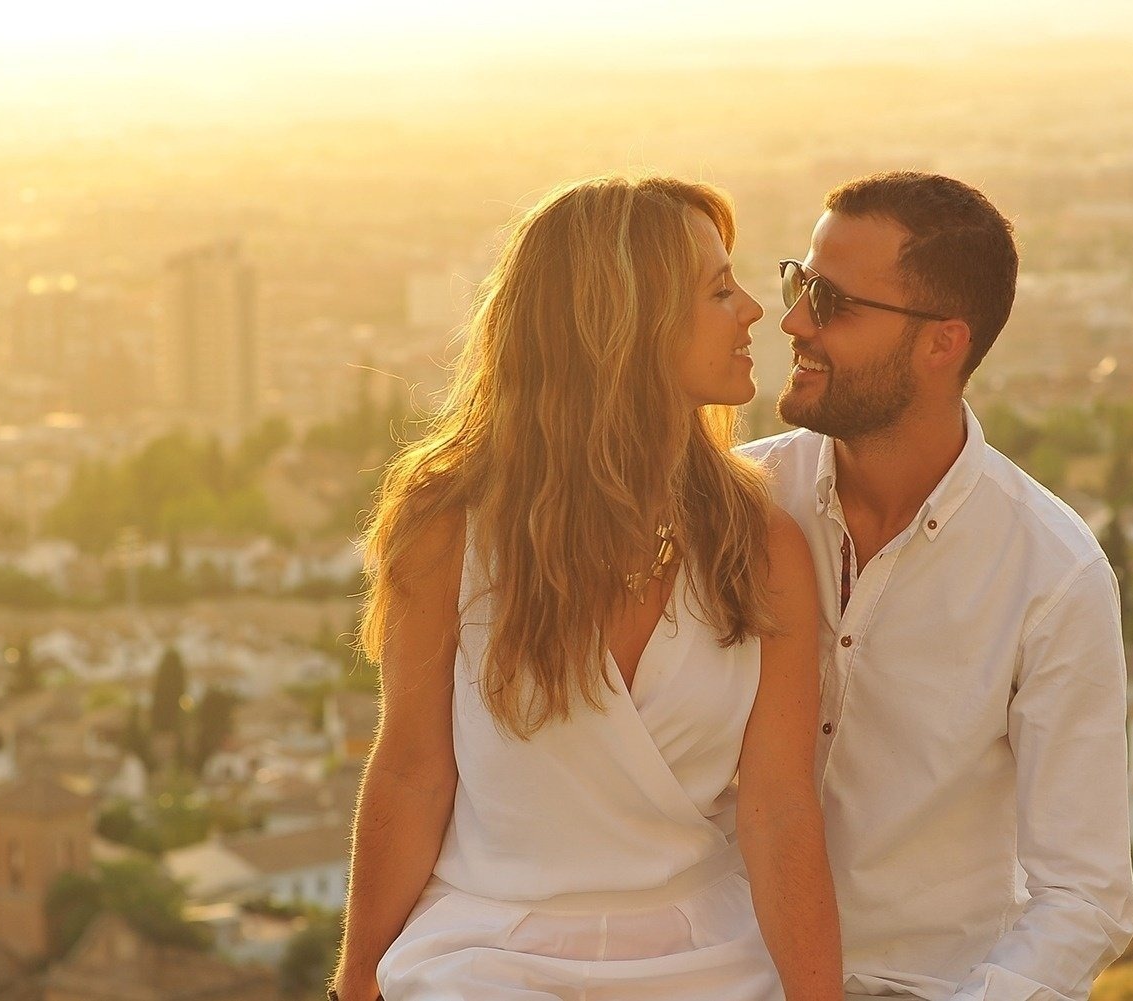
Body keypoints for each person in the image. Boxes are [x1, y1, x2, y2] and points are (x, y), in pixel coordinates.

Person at [331, 175, 841, 1001]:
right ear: (627, 327)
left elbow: (780, 809)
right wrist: (355, 983)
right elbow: (413, 770)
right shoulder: (449, 525)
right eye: (718, 290)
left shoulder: (761, 543)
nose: (756, 310)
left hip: (708, 956)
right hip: (489, 952)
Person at [740, 172, 1133, 1001]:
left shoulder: (1051, 575)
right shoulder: (730, 508)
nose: (794, 319)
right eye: (797, 281)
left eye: (832, 301)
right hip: (717, 972)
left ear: (941, 342)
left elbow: (1086, 896)